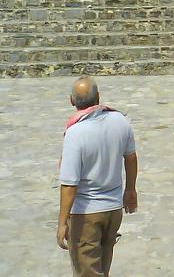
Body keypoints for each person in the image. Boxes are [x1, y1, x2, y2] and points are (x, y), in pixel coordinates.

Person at [57, 77, 138, 277]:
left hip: (87, 215)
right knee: (103, 266)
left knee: (88, 272)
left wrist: (62, 222)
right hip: (113, 210)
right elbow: (131, 157)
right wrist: (130, 190)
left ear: (71, 101)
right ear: (98, 97)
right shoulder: (120, 121)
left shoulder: (75, 134)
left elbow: (69, 184)